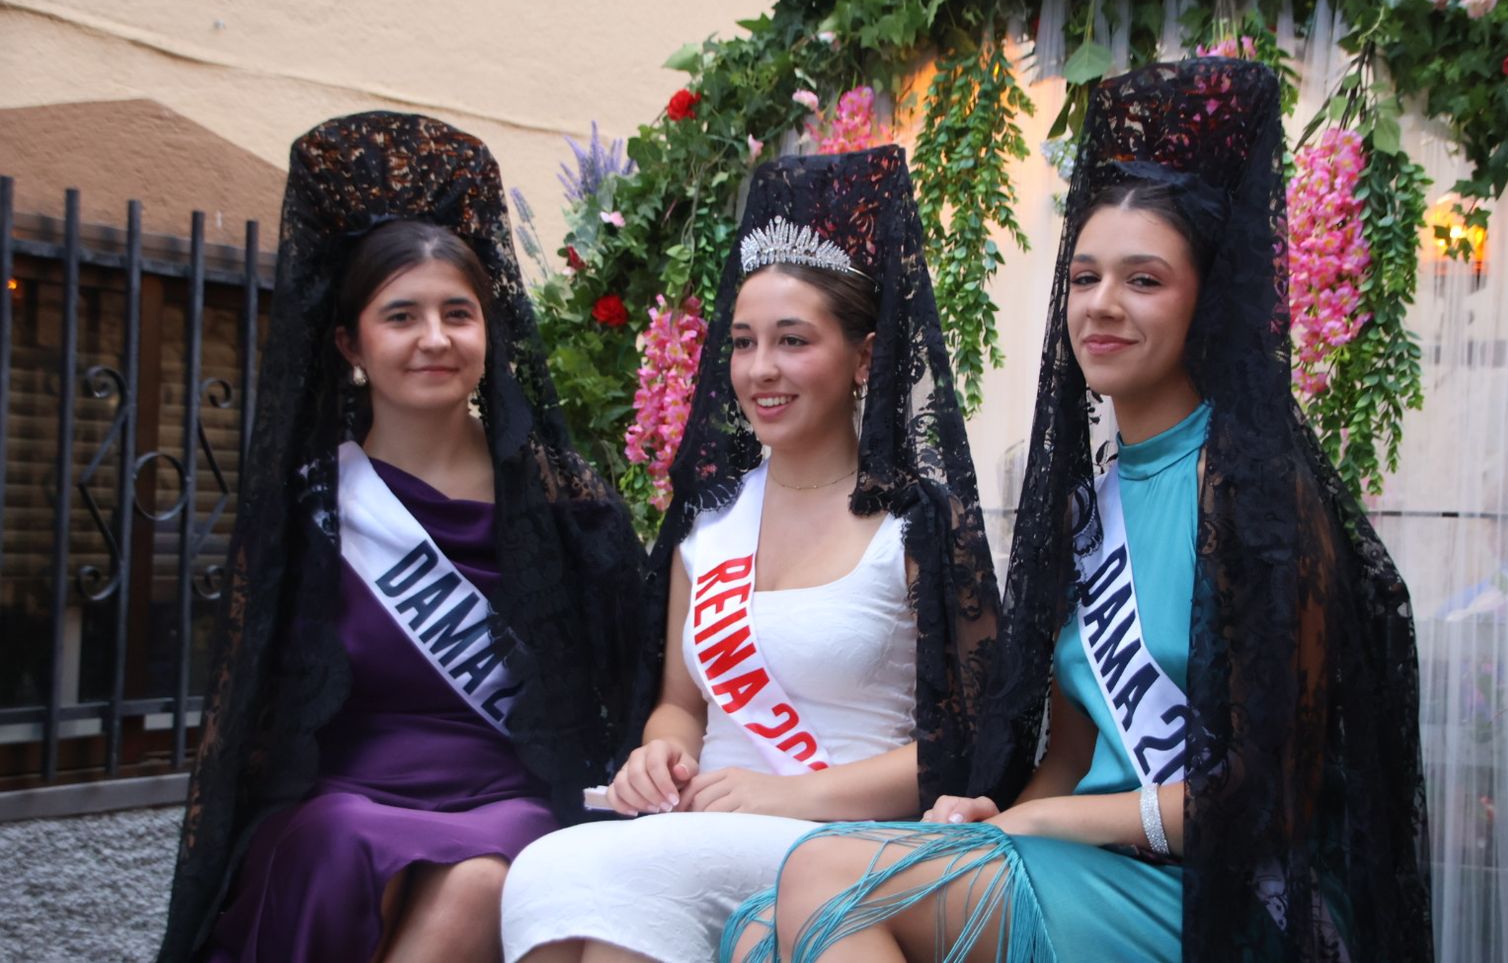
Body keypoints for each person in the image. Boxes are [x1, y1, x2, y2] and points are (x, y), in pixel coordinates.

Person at [724, 59, 1433, 962]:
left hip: (1223, 895)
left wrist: (1052, 822)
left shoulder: (1255, 494)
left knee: (828, 877)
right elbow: (1070, 752)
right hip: (1094, 867)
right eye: (1085, 277)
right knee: (759, 928)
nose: (1102, 305)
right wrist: (1001, 819)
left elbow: (1268, 796)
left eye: (1144, 281)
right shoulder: (1085, 506)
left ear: (1207, 301)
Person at [499, 146, 1033, 963]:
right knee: (559, 884)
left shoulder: (920, 525)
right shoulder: (707, 523)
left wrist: (786, 793)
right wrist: (661, 754)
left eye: (792, 340)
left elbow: (970, 739)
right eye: (744, 342)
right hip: (705, 829)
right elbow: (681, 704)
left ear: (864, 357)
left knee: (598, 875)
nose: (760, 369)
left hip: (842, 840)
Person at [158, 112, 646, 963]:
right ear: (350, 341)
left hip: (511, 793)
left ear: (489, 331)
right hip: (344, 796)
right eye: (401, 316)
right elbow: (256, 711)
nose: (435, 339)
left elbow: (636, 675)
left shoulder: (562, 507)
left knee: (490, 876)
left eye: (459, 313)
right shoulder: (313, 505)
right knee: (340, 840)